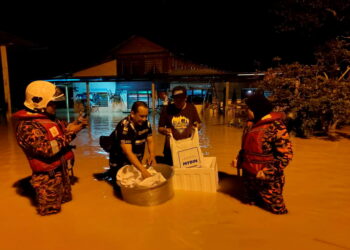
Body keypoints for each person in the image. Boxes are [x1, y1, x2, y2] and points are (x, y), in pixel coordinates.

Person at [12, 80, 87, 216]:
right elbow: (48, 149)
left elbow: (61, 129)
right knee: (50, 212)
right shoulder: (27, 127)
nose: (55, 106)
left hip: (60, 172)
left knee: (66, 206)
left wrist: (76, 124)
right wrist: (72, 132)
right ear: (38, 102)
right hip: (47, 180)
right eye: (52, 103)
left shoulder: (48, 118)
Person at [235, 93, 293, 214]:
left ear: (257, 109)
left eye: (249, 109)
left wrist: (268, 171)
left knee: (277, 210)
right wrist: (239, 159)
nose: (247, 111)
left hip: (267, 178)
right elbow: (246, 147)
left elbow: (286, 156)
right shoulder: (250, 125)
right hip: (248, 175)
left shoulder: (276, 126)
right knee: (250, 205)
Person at [98, 101, 156, 182]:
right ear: (132, 114)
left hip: (135, 157)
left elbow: (150, 140)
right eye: (142, 116)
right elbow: (128, 152)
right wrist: (143, 170)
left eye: (146, 116)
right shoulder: (124, 127)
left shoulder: (147, 124)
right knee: (120, 184)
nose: (145, 119)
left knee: (136, 181)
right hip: (119, 160)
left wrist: (152, 155)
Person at [158, 86, 201, 165]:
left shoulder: (191, 108)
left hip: (188, 149)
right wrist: (165, 130)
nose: (178, 101)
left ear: (186, 98)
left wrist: (197, 126)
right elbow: (160, 128)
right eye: (175, 99)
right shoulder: (166, 109)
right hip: (170, 149)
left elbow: (199, 124)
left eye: (180, 99)